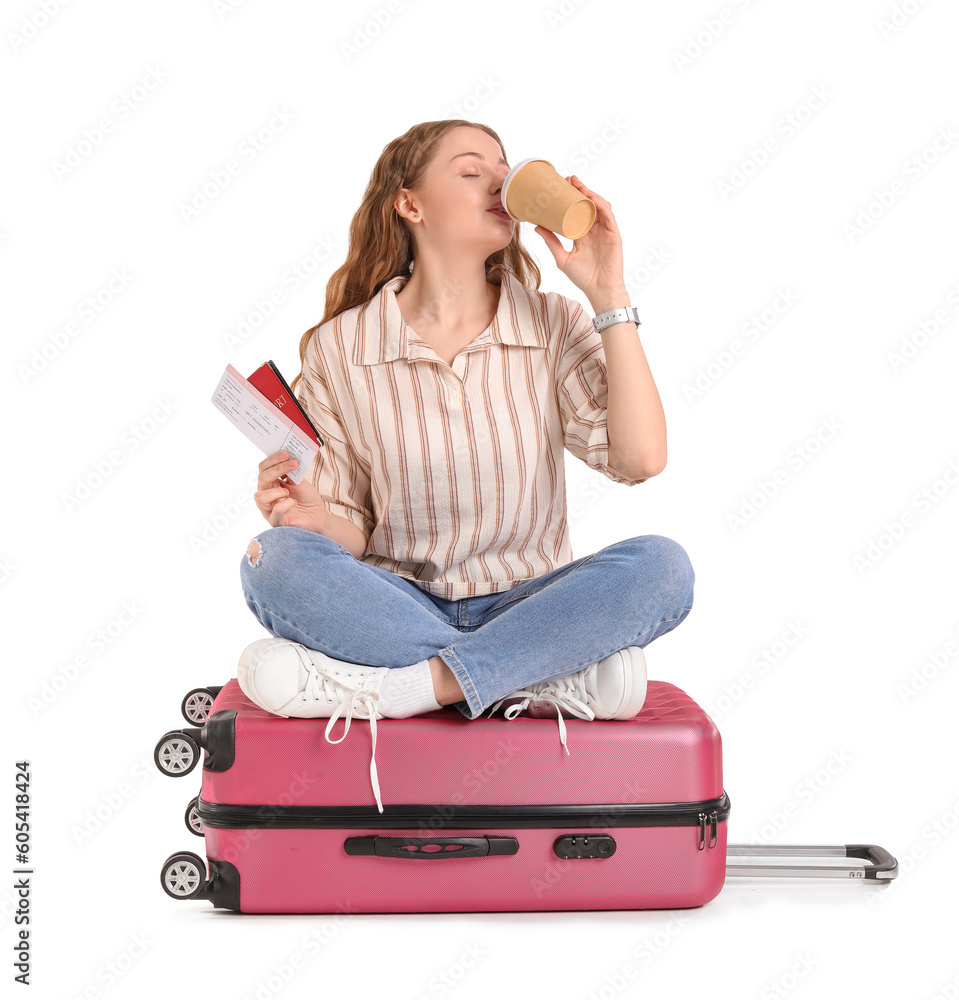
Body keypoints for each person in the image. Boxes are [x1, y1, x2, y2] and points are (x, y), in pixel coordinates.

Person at [235, 120, 695, 812]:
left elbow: (640, 459)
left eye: (504, 170)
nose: (502, 184)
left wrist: (608, 296)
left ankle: (411, 688)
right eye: (472, 170)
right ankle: (533, 677)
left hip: (529, 599)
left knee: (663, 567)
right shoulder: (342, 348)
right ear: (409, 204)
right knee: (271, 558)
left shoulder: (549, 324)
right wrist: (310, 517)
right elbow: (352, 532)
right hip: (399, 602)